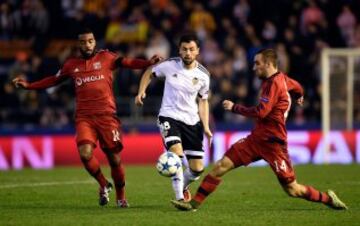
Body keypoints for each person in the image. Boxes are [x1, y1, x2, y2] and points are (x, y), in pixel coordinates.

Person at [171, 48, 348, 211]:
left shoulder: (275, 84)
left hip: (274, 144)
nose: (254, 67)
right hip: (256, 140)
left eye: (257, 63)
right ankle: (193, 204)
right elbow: (297, 87)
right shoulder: (284, 80)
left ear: (269, 64)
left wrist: (235, 108)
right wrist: (299, 96)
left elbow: (262, 112)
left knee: (292, 189)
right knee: (220, 166)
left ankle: (328, 199)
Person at [12, 28, 161, 208]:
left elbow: (126, 62)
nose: (87, 44)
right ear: (79, 44)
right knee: (85, 154)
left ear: (94, 42)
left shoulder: (106, 57)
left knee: (114, 159)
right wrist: (28, 86)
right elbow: (52, 80)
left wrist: (147, 62)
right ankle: (104, 184)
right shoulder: (71, 65)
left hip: (107, 116)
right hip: (85, 117)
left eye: (90, 41)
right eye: (83, 42)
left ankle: (121, 197)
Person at [135, 34, 213, 202]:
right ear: (179, 50)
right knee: (176, 155)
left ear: (198, 51)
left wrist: (206, 127)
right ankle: (179, 198)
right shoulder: (169, 65)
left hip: (192, 121)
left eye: (191, 49)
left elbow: (203, 101)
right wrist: (141, 91)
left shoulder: (204, 75)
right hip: (168, 116)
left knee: (197, 169)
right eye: (184, 49)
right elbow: (149, 72)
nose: (188, 53)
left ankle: (183, 186)